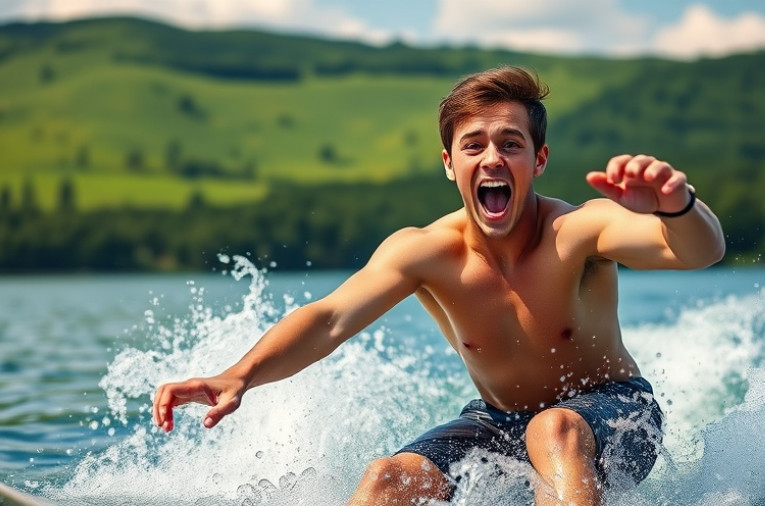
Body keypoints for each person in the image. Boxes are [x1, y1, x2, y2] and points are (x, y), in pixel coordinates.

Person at [153, 66, 725, 505]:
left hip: (616, 412)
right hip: (498, 421)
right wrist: (239, 376)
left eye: (511, 143)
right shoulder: (424, 252)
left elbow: (700, 250)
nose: (492, 157)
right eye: (473, 145)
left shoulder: (580, 230)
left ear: (539, 158)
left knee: (554, 430)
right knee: (386, 481)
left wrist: (677, 207)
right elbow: (329, 319)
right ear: (450, 163)